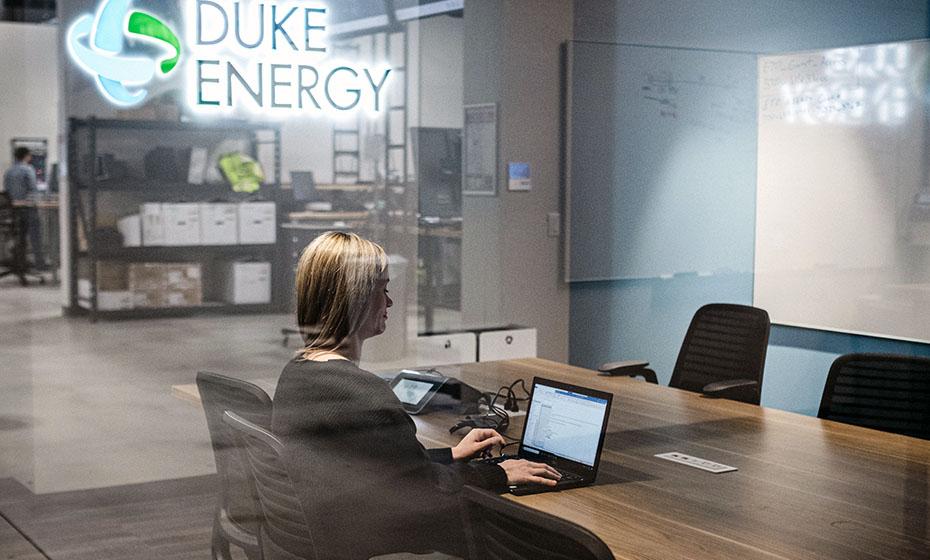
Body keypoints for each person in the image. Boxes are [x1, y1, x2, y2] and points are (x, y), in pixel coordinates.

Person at [272, 231, 561, 560]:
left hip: (336, 531)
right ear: (356, 300)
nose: (390, 302)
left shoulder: (296, 373)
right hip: (372, 539)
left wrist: (450, 456)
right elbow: (425, 493)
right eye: (383, 290)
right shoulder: (362, 393)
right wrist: (499, 472)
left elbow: (381, 466)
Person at [2, 147, 45, 270]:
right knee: (35, 235)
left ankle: (20, 263)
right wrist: (40, 201)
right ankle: (40, 264)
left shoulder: (8, 171)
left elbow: (6, 192)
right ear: (26, 156)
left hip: (13, 212)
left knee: (20, 236)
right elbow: (32, 189)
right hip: (27, 209)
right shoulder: (28, 169)